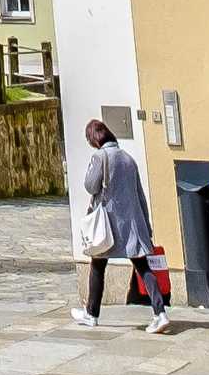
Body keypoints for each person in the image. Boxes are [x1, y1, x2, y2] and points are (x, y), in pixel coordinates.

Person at [72, 112, 170, 333]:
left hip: (109, 224)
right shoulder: (128, 158)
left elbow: (90, 186)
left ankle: (91, 313)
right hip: (132, 224)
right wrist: (146, 224)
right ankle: (160, 312)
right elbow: (139, 194)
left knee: (97, 265)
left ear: (94, 140)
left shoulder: (100, 158)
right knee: (143, 267)